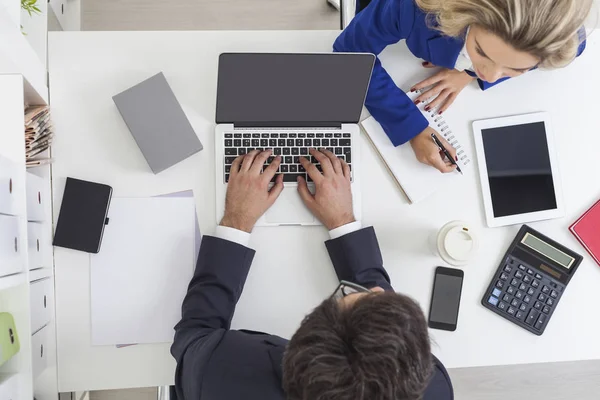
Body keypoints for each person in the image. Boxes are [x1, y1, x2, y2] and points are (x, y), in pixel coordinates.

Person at [171, 148, 453, 400]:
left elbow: (194, 335)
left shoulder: (221, 376)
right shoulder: (432, 386)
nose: (377, 289)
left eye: (348, 295)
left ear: (299, 345)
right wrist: (343, 221)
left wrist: (236, 220)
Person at [334, 0, 591, 173]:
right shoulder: (409, 8)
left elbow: (576, 47)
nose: (490, 77)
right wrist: (411, 126)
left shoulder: (561, 40)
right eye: (482, 52)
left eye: (516, 68)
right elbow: (350, 55)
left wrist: (467, 73)